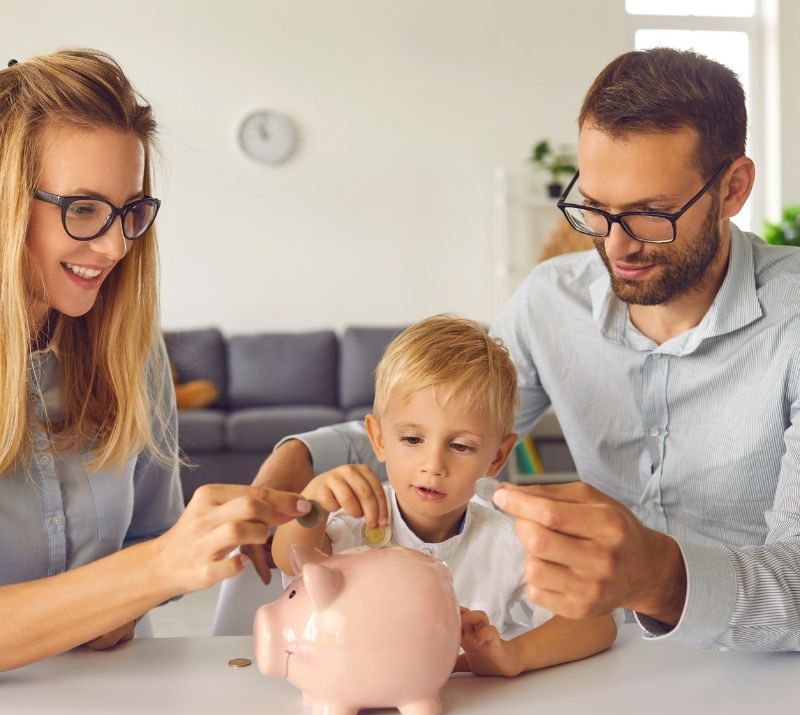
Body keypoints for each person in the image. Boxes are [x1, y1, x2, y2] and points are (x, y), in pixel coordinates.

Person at [251, 47, 800, 652]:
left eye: (652, 214)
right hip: (600, 660)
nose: (616, 246)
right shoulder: (550, 300)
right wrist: (302, 454)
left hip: (766, 678)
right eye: (595, 208)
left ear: (734, 188)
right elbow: (444, 420)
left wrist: (662, 578)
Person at [0, 49, 311, 672]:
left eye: (129, 210)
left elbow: (148, 539)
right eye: (82, 209)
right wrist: (149, 572)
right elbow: (150, 562)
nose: (116, 245)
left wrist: (139, 594)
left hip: (115, 710)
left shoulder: (130, 353)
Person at [270, 315, 617, 676]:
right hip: (360, 700)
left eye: (461, 446)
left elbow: (597, 622)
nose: (433, 465)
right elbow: (289, 557)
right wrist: (312, 506)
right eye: (412, 440)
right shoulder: (356, 520)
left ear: (497, 457)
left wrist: (515, 655)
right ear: (378, 439)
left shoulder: (508, 539)